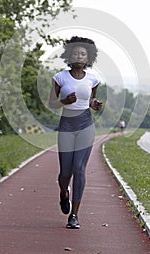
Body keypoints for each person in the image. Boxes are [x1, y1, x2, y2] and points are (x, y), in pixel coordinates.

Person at [49, 36, 102, 229]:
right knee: (65, 173)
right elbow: (51, 104)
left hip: (85, 125)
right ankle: (64, 193)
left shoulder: (93, 79)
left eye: (83, 53)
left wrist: (94, 104)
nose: (79, 56)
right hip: (66, 126)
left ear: (89, 58)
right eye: (76, 53)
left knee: (79, 169)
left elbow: (90, 101)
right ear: (69, 56)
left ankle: (74, 215)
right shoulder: (60, 78)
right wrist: (65, 101)